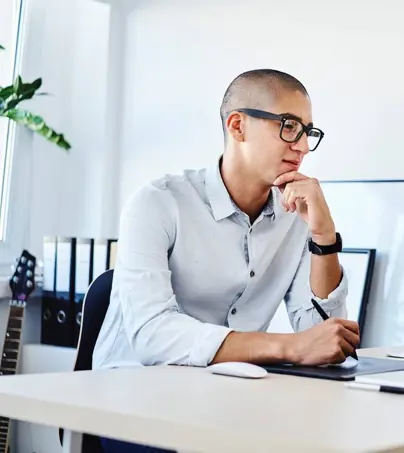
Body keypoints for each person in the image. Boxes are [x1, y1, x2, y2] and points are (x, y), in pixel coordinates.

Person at [92, 69, 360, 453]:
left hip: (231, 396)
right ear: (238, 126)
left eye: (308, 132)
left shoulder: (294, 214)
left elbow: (320, 337)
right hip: (136, 399)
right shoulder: (157, 203)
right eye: (289, 126)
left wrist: (324, 237)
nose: (301, 146)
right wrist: (288, 347)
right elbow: (154, 337)